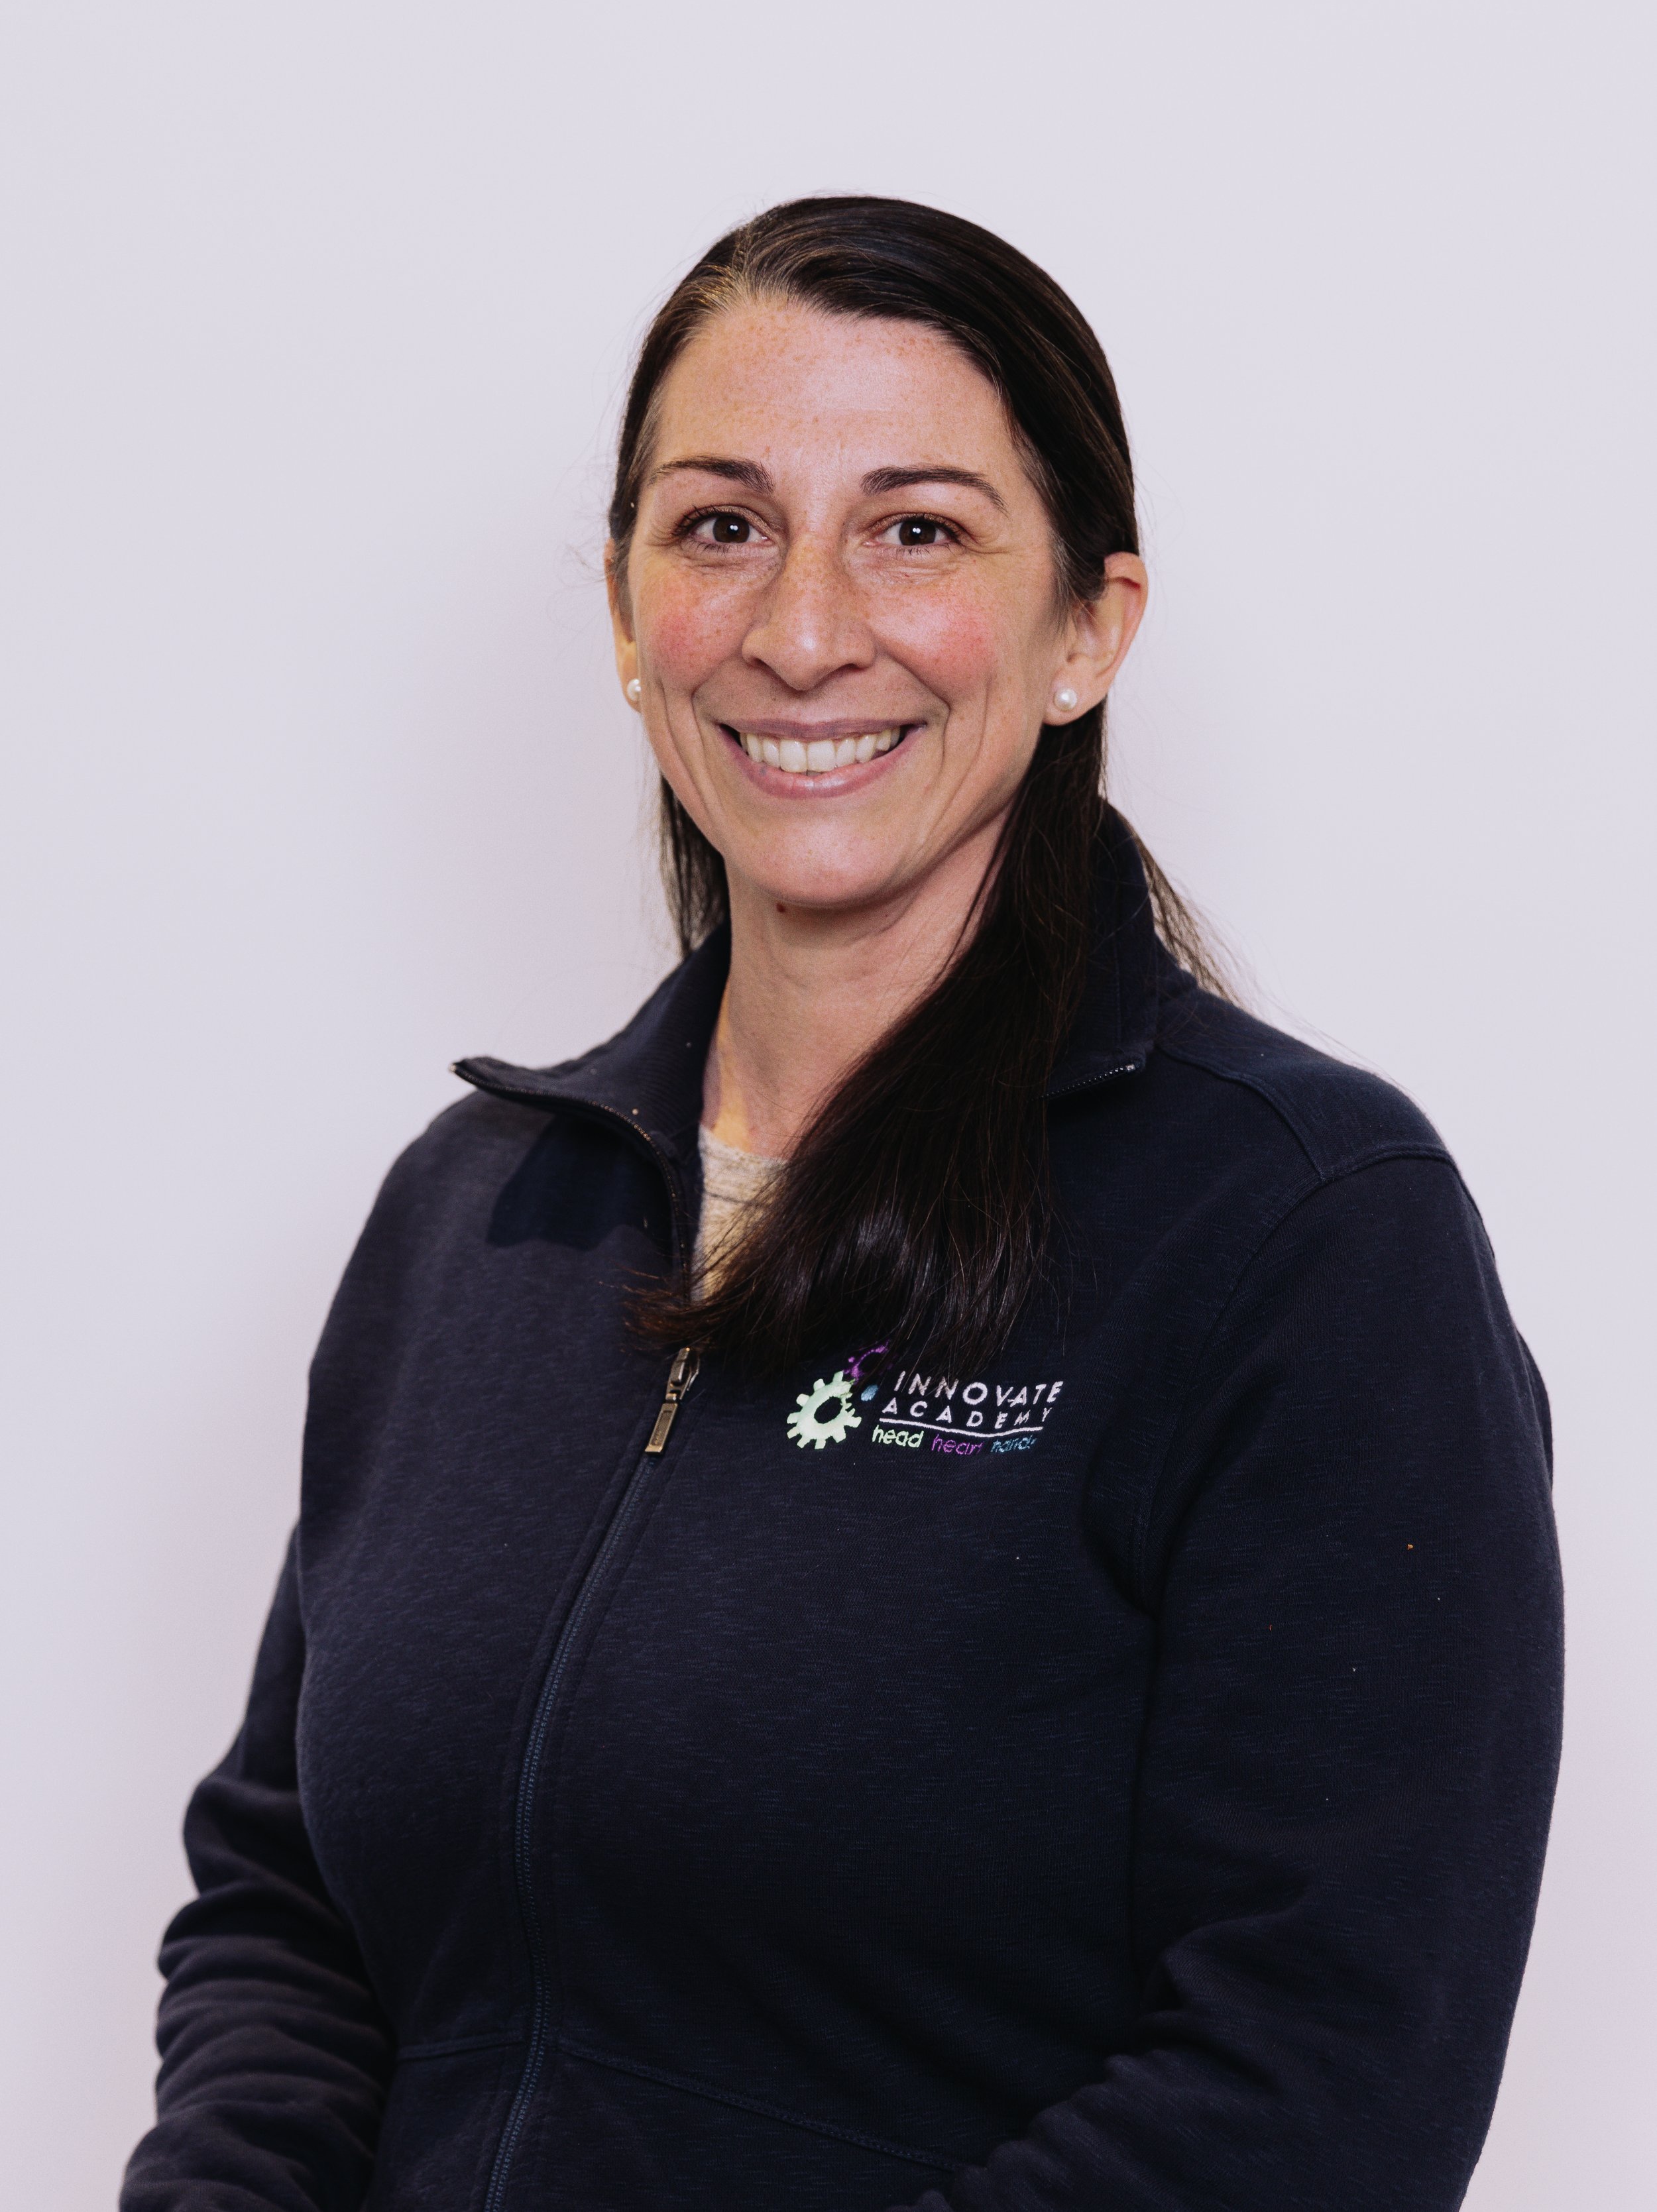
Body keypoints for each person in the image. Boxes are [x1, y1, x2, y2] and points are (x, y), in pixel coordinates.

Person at [123, 197, 1563, 2212]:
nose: (803, 628)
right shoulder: (477, 1220)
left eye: (916, 528)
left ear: (1087, 627)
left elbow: (1322, 2078)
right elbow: (291, 1909)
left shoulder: (1300, 1236)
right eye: (718, 526)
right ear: (627, 619)